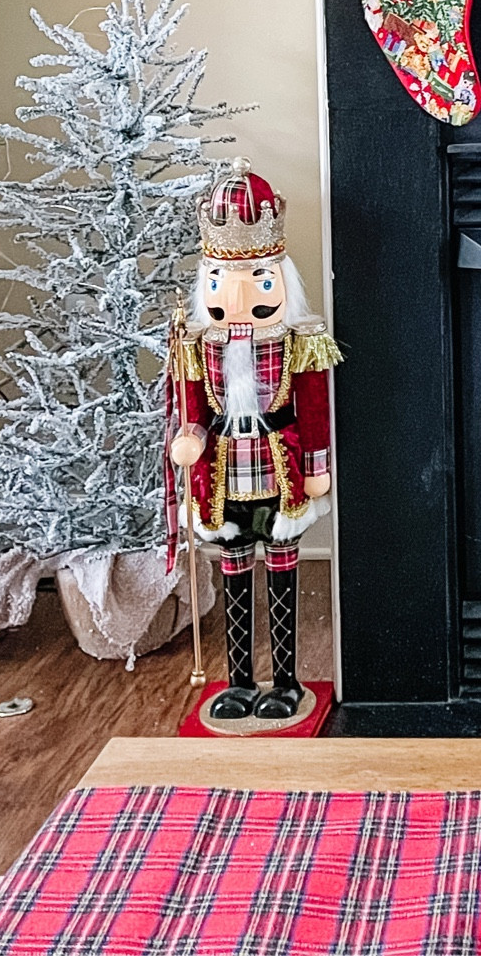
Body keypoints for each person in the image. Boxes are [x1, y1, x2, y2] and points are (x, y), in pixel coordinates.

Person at [167, 161, 342, 725]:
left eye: (259, 280)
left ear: (280, 280)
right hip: (223, 478)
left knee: (283, 571)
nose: (238, 295)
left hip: (279, 474)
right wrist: (190, 438)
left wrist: (317, 465)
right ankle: (241, 679)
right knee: (235, 570)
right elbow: (193, 411)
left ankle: (285, 680)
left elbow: (313, 410)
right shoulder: (198, 345)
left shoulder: (299, 342)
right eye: (222, 280)